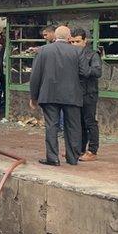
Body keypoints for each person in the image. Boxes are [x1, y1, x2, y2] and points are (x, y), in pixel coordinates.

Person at [29, 26, 85, 166]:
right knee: (73, 127)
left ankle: (52, 158)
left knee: (51, 126)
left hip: (49, 94)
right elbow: (84, 73)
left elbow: (35, 75)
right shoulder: (77, 51)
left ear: (55, 36)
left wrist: (33, 96)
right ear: (69, 37)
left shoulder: (43, 51)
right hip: (72, 95)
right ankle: (73, 158)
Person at [70, 28, 102, 162]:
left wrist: (84, 69)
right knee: (80, 123)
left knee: (90, 122)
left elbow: (97, 72)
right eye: (72, 42)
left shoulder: (92, 55)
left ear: (85, 41)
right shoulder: (71, 54)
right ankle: (80, 149)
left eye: (77, 41)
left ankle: (92, 150)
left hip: (89, 93)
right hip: (76, 92)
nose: (75, 44)